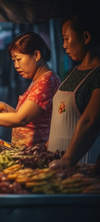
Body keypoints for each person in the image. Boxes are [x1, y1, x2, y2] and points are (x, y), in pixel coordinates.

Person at [0, 32, 61, 149]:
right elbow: (32, 120)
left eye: (18, 59)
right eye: (14, 60)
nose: (16, 65)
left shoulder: (46, 82)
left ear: (37, 55)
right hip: (26, 152)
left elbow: (22, 119)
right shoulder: (37, 80)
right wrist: (6, 108)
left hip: (37, 153)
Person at [48, 6, 100, 168]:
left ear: (85, 37)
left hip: (81, 162)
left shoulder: (97, 74)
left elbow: (90, 121)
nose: (64, 45)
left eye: (66, 38)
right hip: (56, 160)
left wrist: (67, 160)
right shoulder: (72, 72)